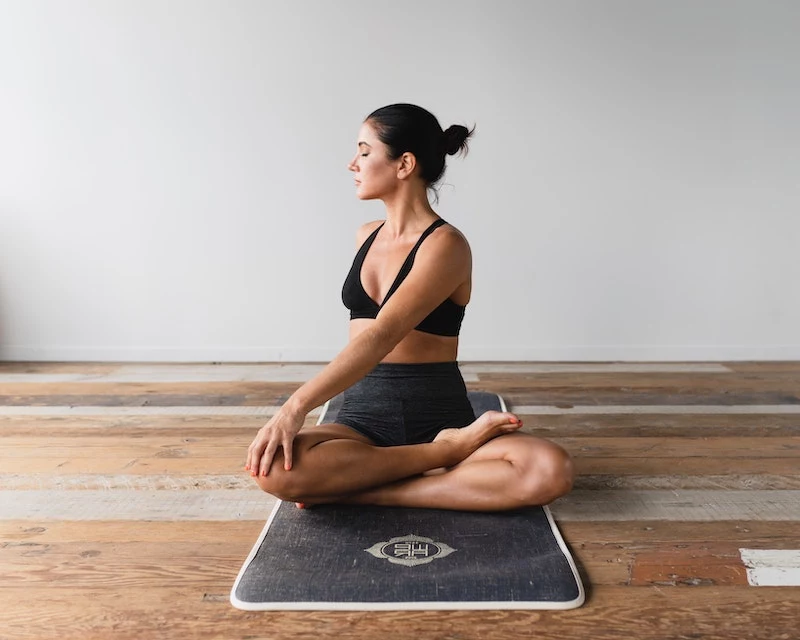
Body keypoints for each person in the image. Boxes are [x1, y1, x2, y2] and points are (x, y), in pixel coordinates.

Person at [245, 103, 574, 511]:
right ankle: (438, 460)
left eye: (365, 152)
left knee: (548, 469)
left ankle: (375, 483)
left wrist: (295, 407)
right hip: (362, 420)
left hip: (439, 418)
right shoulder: (365, 235)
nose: (353, 163)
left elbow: (383, 334)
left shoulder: (446, 245)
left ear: (404, 164)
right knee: (272, 467)